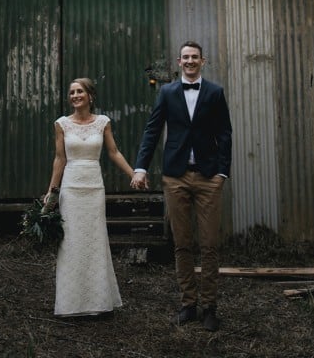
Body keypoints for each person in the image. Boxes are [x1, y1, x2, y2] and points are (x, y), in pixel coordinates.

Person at [132, 41, 232, 331]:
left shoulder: (215, 92)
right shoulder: (167, 92)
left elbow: (225, 133)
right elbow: (152, 130)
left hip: (208, 177)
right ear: (179, 61)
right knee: (182, 243)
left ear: (203, 60)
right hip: (175, 177)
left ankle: (210, 307)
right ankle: (188, 304)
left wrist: (222, 173)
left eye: (195, 57)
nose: (190, 61)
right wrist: (141, 166)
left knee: (210, 245)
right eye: (185, 57)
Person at [44, 77, 136, 317]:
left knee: (95, 242)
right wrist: (52, 192)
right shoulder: (61, 124)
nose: (75, 95)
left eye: (79, 91)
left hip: (94, 188)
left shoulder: (103, 122)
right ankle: (71, 304)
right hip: (71, 189)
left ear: (90, 96)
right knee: (71, 243)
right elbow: (60, 159)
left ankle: (98, 301)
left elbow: (114, 152)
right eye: (72, 92)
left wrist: (133, 174)